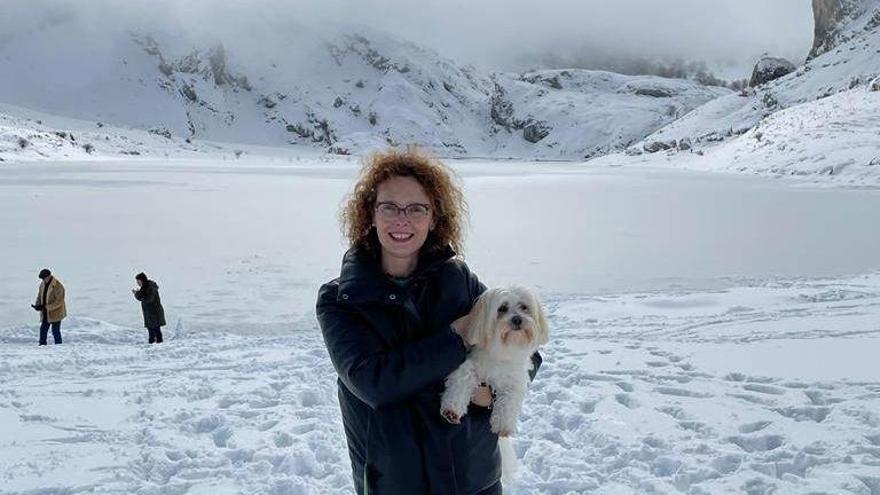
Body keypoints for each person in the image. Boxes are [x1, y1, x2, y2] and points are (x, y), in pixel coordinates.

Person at [316, 147, 541, 495]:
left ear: (434, 218)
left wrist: (491, 395)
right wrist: (457, 337)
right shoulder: (342, 300)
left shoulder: (458, 279)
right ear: (369, 214)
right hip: (394, 481)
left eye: (417, 209)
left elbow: (527, 350)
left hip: (472, 476)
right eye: (389, 207)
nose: (402, 220)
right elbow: (374, 383)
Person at [32, 268, 66, 345]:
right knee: (43, 330)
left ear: (49, 276)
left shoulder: (58, 286)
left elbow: (59, 302)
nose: (43, 280)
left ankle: (59, 346)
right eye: (42, 279)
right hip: (45, 313)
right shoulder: (42, 284)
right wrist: (37, 305)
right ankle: (42, 346)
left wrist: (46, 307)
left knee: (55, 331)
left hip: (56, 313)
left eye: (44, 278)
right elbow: (40, 295)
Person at [132, 272, 166, 344]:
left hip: (155, 313)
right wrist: (137, 293)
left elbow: (148, 299)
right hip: (150, 314)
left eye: (138, 281)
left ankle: (157, 346)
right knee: (152, 331)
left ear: (142, 280)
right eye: (137, 282)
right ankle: (154, 346)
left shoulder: (150, 287)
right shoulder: (145, 287)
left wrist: (137, 294)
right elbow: (143, 296)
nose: (137, 283)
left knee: (155, 331)